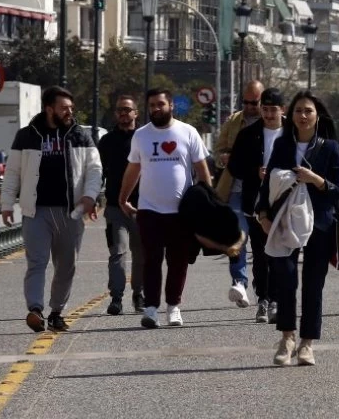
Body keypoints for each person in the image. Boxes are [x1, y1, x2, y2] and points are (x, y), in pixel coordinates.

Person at [0, 86, 103, 333]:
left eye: (70, 108)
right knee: (37, 262)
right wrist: (6, 203)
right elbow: (13, 171)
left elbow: (95, 170)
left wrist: (90, 196)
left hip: (72, 211)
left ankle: (56, 311)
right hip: (36, 211)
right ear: (49, 109)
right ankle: (35, 310)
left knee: (67, 264)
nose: (69, 112)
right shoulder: (27, 135)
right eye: (63, 108)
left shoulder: (80, 135)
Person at [256, 91, 339, 366]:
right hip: (284, 221)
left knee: (313, 284)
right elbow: (267, 182)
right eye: (298, 111)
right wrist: (262, 214)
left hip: (320, 223)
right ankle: (287, 338)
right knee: (285, 279)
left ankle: (307, 343)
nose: (303, 116)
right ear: (289, 115)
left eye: (308, 111)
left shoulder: (329, 148)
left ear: (317, 116)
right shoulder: (282, 146)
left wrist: (316, 179)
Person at [116, 88, 213, 329]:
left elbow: (202, 170)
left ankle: (173, 307)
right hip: (149, 210)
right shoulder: (141, 136)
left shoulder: (188, 132)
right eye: (151, 105)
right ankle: (150, 309)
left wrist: (207, 202)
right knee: (151, 260)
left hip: (181, 211)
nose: (156, 109)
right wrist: (123, 198)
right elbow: (133, 169)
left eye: (160, 104)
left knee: (178, 261)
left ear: (171, 105)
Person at [225, 87, 287, 323]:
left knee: (280, 254)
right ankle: (263, 298)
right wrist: (255, 172)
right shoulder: (248, 134)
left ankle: (277, 299)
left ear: (283, 110)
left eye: (274, 110)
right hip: (255, 202)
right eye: (266, 110)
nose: (269, 115)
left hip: (284, 202)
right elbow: (234, 167)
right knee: (260, 254)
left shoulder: (291, 134)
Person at [215, 80, 264, 309]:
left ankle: (264, 292)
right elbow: (219, 149)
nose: (249, 106)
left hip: (263, 192)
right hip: (235, 188)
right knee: (238, 238)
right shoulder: (235, 121)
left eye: (254, 102)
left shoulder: (273, 122)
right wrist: (224, 157)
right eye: (245, 102)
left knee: (262, 244)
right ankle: (239, 282)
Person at [97, 95, 145, 315]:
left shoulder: (145, 138)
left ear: (136, 112)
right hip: (116, 208)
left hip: (143, 207)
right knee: (117, 252)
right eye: (119, 110)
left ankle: (139, 294)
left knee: (141, 254)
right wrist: (93, 197)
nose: (123, 114)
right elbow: (98, 172)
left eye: (127, 110)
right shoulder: (106, 141)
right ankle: (116, 298)